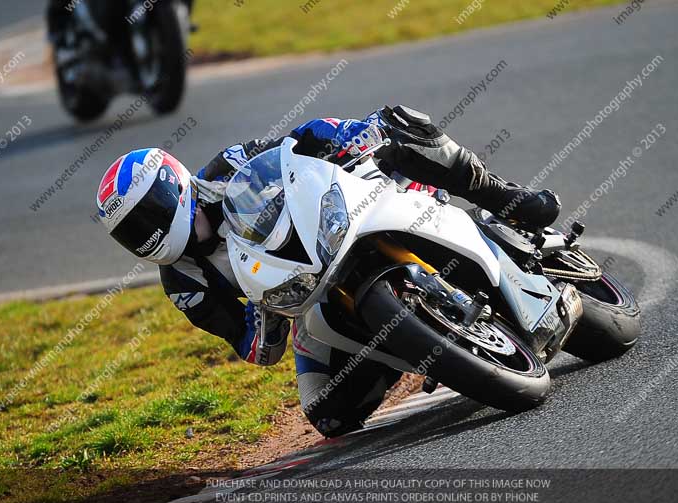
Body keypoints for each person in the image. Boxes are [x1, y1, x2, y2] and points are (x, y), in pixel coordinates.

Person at [95, 105, 560, 437]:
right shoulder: (183, 283)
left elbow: (299, 141)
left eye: (144, 216)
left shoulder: (227, 167)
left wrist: (352, 135)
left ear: (172, 187)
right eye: (129, 232)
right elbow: (250, 346)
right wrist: (266, 319)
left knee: (401, 125)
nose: (143, 235)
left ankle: (506, 200)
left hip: (345, 215)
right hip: (309, 296)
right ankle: (421, 343)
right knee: (328, 416)